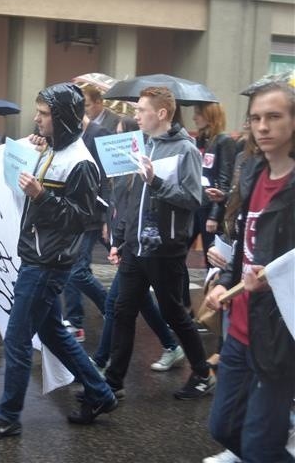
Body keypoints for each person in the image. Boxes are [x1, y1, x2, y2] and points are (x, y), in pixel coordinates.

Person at [0, 83, 118, 441]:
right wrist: (35, 152)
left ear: (63, 118)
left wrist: (41, 196)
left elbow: (82, 219)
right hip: (39, 255)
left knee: (17, 338)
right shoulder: (56, 148)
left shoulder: (80, 162)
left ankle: (7, 416)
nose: (37, 119)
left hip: (48, 262)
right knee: (52, 332)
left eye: (44, 114)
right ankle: (99, 392)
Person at [204, 81, 295, 462]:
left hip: (278, 333)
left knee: (259, 443)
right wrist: (225, 281)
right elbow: (243, 242)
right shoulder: (254, 171)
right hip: (239, 327)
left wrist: (270, 283)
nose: (262, 127)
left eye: (274, 117)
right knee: (223, 427)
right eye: (256, 118)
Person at [104, 87, 214, 401]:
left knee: (174, 313)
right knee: (123, 312)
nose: (136, 115)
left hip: (165, 249)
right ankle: (113, 383)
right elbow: (130, 197)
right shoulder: (142, 145)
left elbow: (193, 199)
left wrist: (157, 182)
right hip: (136, 248)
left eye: (141, 110)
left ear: (161, 114)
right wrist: (120, 238)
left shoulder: (185, 150)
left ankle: (202, 374)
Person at [91, 117, 184, 375]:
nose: (116, 141)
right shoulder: (123, 170)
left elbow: (136, 209)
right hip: (129, 244)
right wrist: (114, 237)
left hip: (139, 246)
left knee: (116, 304)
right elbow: (118, 205)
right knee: (141, 302)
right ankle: (171, 346)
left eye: (121, 135)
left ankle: (101, 362)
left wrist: (120, 241)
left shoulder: (141, 169)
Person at [61, 114, 110, 342]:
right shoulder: (71, 135)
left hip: (92, 213)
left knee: (75, 270)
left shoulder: (99, 134)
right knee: (78, 268)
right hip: (75, 213)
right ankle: (108, 309)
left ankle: (77, 321)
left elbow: (108, 177)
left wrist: (108, 218)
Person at [188, 103, 237, 265]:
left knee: (213, 259)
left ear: (210, 116)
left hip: (210, 208)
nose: (194, 118)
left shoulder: (224, 141)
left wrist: (214, 215)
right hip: (196, 205)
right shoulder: (200, 141)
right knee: (178, 253)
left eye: (198, 114)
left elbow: (224, 180)